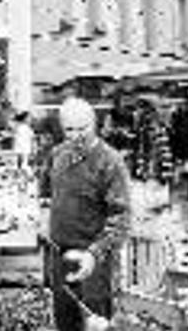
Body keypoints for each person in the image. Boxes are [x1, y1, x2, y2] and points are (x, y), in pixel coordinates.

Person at [46, 97, 131, 331]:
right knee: (64, 318)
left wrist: (95, 254)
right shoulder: (57, 155)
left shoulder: (110, 162)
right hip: (60, 257)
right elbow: (49, 196)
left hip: (94, 261)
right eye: (69, 130)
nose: (75, 136)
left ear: (95, 124)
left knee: (96, 321)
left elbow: (121, 219)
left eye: (82, 129)